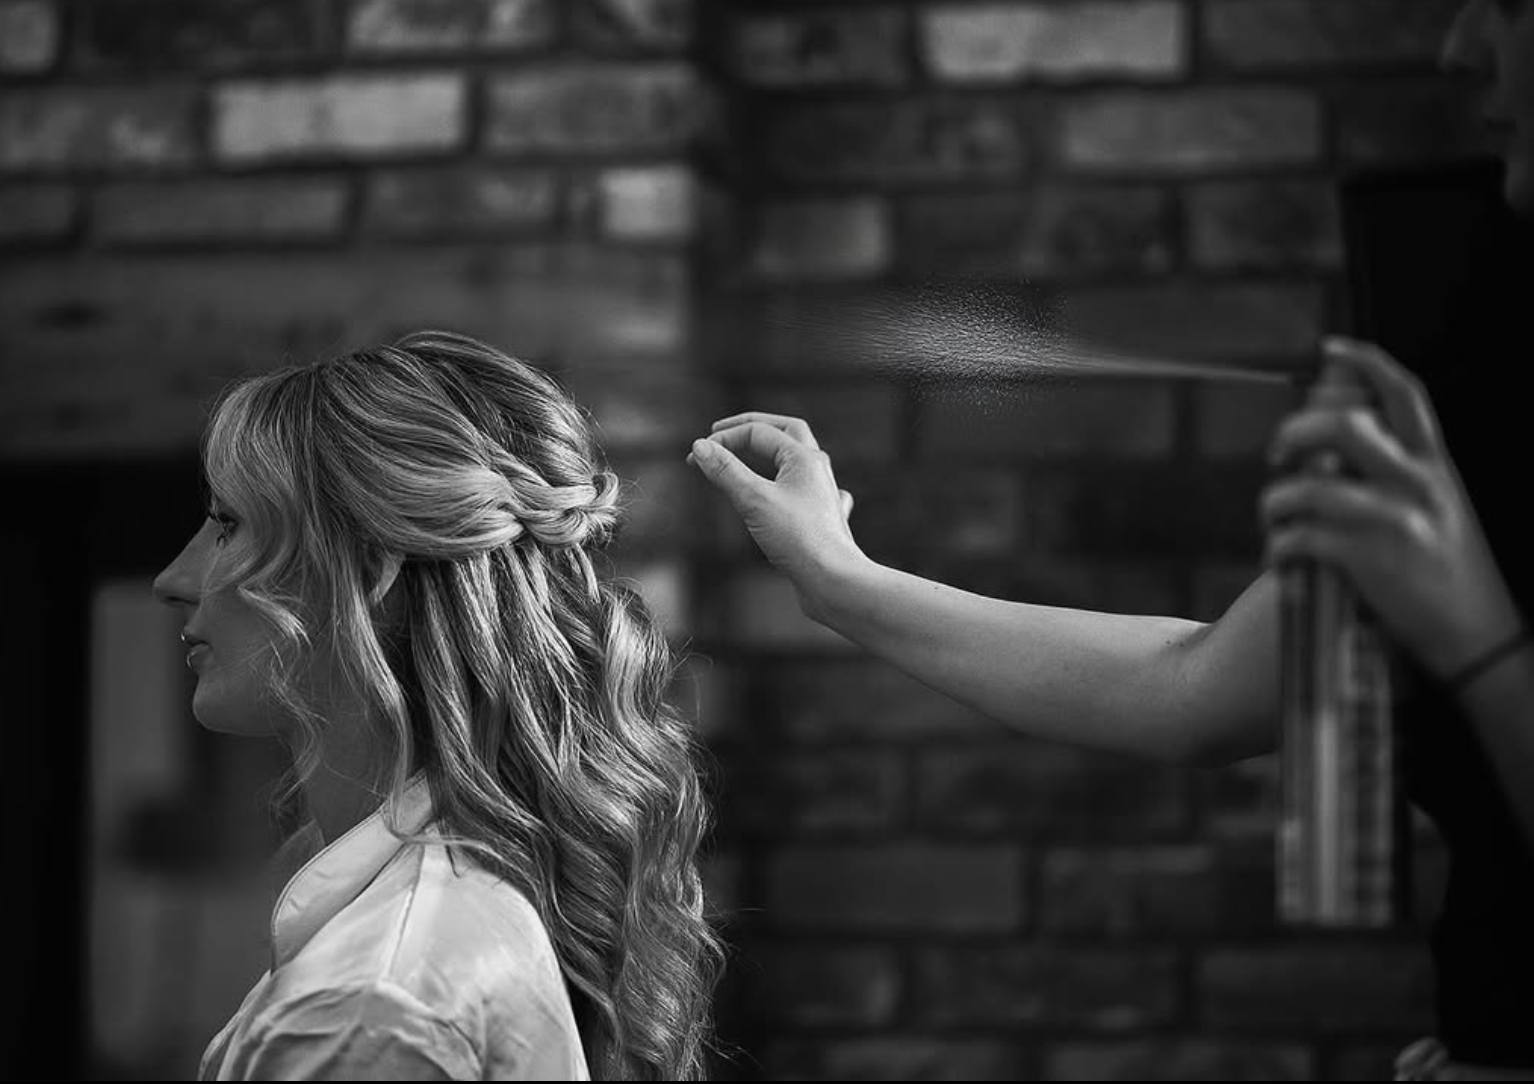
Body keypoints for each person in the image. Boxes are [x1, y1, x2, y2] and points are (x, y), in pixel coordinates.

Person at [687, 0, 1534, 1078]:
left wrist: (1467, 620)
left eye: (1508, 5)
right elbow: (1199, 687)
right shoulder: (1489, 373)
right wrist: (839, 579)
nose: (1459, 48)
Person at [153, 331, 722, 1081]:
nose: (173, 577)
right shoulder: (463, 905)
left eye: (228, 524)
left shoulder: (367, 1008)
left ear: (369, 578)